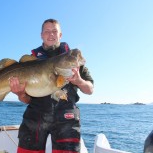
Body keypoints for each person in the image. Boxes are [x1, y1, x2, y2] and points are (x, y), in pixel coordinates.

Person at [9, 19, 94, 153]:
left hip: (66, 118)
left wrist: (79, 81)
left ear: (60, 35)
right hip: (35, 117)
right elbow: (26, 100)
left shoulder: (72, 59)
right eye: (47, 31)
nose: (51, 34)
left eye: (55, 31)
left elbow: (90, 89)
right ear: (41, 35)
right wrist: (20, 94)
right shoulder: (31, 62)